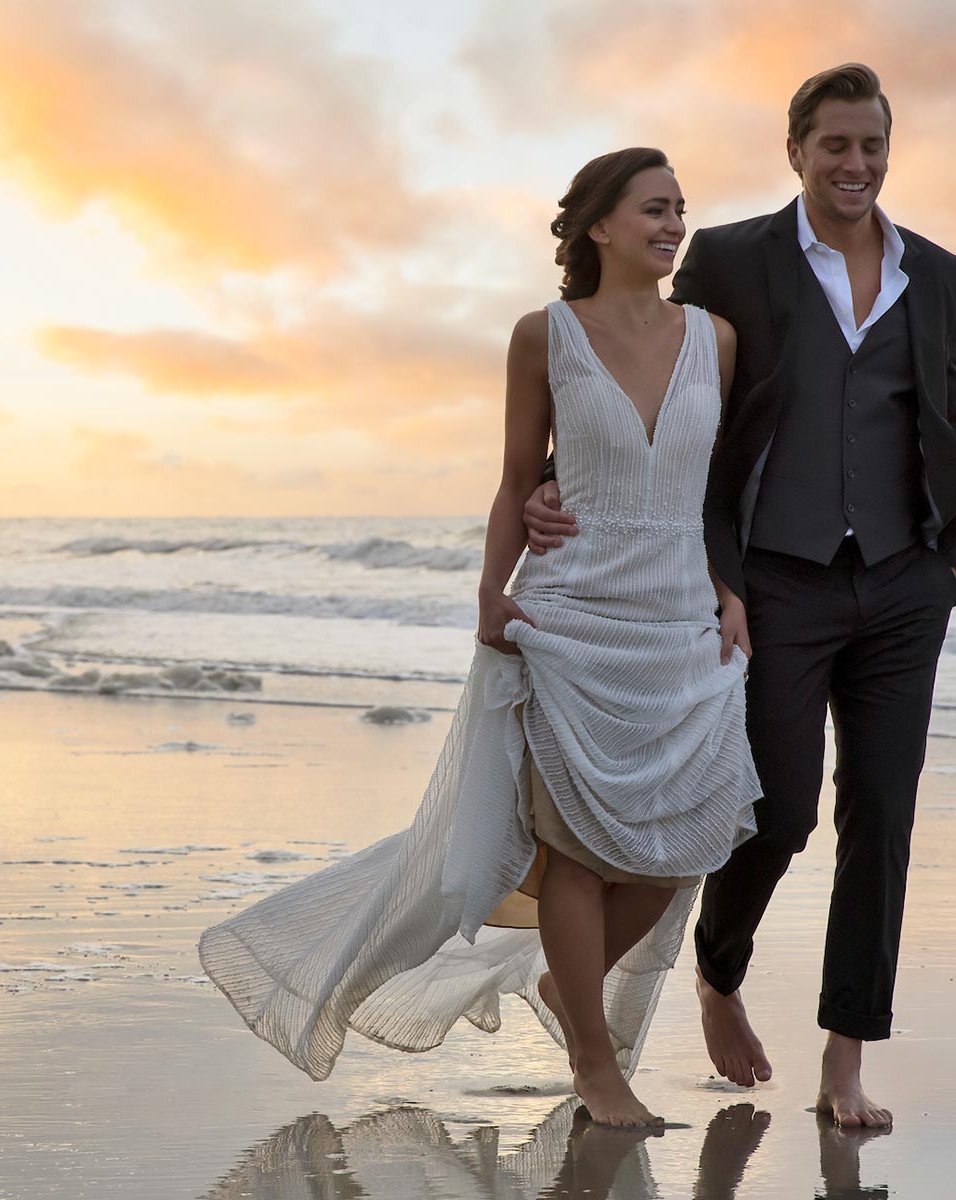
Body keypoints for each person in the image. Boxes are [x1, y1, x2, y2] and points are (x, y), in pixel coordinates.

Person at [200, 147, 761, 1127]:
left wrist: (729, 586)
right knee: (575, 852)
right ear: (597, 226)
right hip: (569, 612)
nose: (671, 226)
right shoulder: (540, 336)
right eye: (650, 210)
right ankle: (595, 1063)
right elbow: (515, 478)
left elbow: (720, 490)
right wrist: (489, 594)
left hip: (679, 619)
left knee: (688, 842)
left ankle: (565, 990)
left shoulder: (715, 339)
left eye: (679, 209)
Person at [524, 63, 956, 1127]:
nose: (854, 165)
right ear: (796, 151)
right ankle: (718, 972)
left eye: (871, 145)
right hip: (775, 576)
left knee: (884, 817)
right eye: (833, 144)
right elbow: (651, 369)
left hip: (906, 583)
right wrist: (558, 472)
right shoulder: (732, 257)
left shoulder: (941, 273)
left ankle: (844, 1064)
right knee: (772, 811)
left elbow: (951, 411)